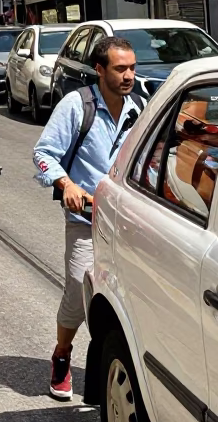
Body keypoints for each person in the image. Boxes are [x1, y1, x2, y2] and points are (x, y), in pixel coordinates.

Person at [33, 36, 143, 401]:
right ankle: (62, 354)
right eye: (120, 68)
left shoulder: (138, 108)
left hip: (127, 223)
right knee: (80, 293)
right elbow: (44, 153)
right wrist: (65, 183)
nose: (129, 75)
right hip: (85, 221)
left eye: (132, 67)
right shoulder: (77, 106)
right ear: (100, 70)